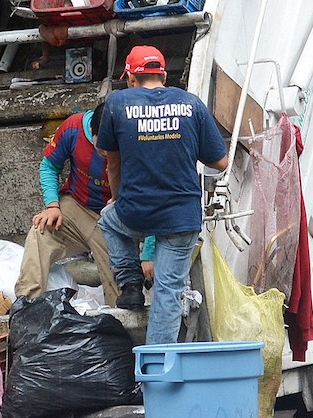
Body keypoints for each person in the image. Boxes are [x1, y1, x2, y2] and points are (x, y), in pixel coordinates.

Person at [96, 45, 229, 344]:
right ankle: (157, 373)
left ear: (131, 78)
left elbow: (113, 165)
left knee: (107, 219)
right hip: (182, 217)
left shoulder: (117, 104)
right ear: (164, 75)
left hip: (136, 212)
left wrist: (118, 201)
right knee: (168, 292)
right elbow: (220, 162)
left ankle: (130, 284)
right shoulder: (191, 104)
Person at [14, 103, 155, 306]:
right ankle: (27, 305)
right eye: (103, 150)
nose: (109, 157)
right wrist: (52, 205)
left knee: (122, 285)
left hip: (117, 217)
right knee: (41, 232)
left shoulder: (139, 139)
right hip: (77, 207)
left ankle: (119, 327)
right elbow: (49, 166)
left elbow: (155, 197)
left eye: (113, 150)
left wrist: (149, 252)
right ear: (92, 132)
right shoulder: (73, 128)